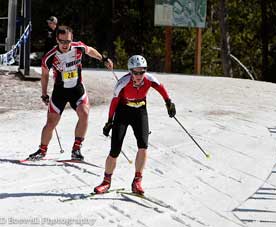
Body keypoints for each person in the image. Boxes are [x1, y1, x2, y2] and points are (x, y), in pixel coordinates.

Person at [27, 25, 113, 161]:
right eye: (62, 41)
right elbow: (44, 75)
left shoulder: (78, 47)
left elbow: (90, 50)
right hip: (60, 92)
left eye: (67, 41)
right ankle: (42, 150)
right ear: (57, 40)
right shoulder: (50, 56)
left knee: (84, 114)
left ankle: (76, 149)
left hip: (77, 89)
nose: (65, 44)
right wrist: (44, 94)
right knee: (51, 123)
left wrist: (103, 59)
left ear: (71, 39)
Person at [94, 55, 176, 195]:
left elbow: (161, 88)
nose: (139, 75)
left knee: (143, 146)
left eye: (142, 71)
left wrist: (168, 102)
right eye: (135, 72)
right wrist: (109, 121)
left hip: (140, 112)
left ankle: (137, 181)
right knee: (115, 150)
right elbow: (114, 102)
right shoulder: (123, 82)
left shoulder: (149, 79)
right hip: (123, 112)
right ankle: (106, 182)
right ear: (130, 71)